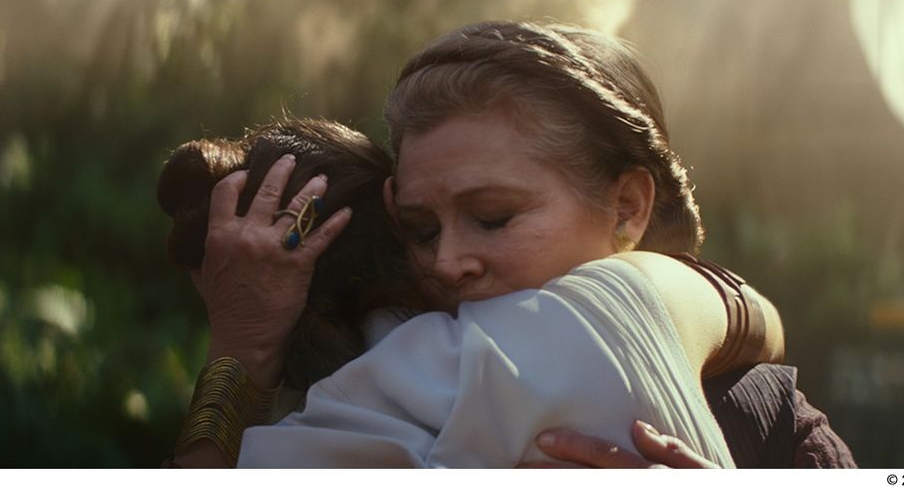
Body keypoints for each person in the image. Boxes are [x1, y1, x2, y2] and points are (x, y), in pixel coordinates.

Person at [158, 116, 782, 467]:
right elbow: (758, 320)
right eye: (425, 229)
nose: (449, 262)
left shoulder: (317, 437)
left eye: (491, 217)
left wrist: (238, 351)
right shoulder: (613, 309)